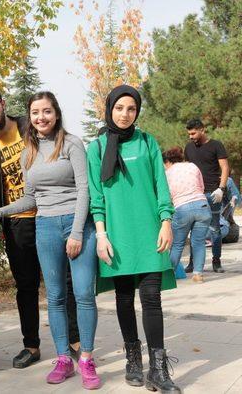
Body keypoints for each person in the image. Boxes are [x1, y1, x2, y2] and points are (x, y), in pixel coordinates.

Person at [0, 91, 100, 389]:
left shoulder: (72, 143)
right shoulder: (28, 152)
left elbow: (84, 190)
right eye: (35, 112)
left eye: (46, 111)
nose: (41, 117)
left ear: (56, 113)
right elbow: (30, 198)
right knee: (55, 297)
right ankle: (62, 359)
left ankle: (85, 358)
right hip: (44, 226)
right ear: (30, 117)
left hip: (76, 225)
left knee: (84, 293)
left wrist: (75, 232)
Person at [87, 84, 180, 393]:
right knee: (124, 298)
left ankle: (157, 368)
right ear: (110, 109)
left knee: (151, 298)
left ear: (137, 112)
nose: (125, 114)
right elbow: (96, 198)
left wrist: (166, 221)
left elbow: (160, 185)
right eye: (119, 108)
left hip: (150, 231)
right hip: (117, 235)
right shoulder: (97, 148)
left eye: (131, 109)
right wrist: (101, 235)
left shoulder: (147, 142)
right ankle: (132, 359)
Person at [184, 118, 229, 273]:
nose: (191, 136)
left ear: (202, 130)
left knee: (215, 228)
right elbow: (187, 170)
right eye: (189, 134)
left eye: (193, 133)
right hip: (194, 194)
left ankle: (216, 261)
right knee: (193, 229)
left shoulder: (216, 145)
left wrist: (221, 189)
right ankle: (192, 263)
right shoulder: (188, 148)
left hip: (213, 193)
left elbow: (225, 168)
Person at [162, 147, 211, 283]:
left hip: (182, 208)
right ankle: (198, 274)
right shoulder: (192, 166)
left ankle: (169, 274)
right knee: (199, 243)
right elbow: (201, 186)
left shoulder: (168, 173)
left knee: (177, 244)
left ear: (167, 162)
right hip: (202, 205)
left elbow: (167, 195)